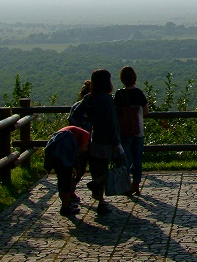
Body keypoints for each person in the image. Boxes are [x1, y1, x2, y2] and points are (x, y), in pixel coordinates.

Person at [84, 69, 121, 214]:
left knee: (98, 168)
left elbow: (77, 114)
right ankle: (97, 185)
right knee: (118, 166)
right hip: (107, 139)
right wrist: (116, 141)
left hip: (94, 138)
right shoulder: (106, 99)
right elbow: (112, 122)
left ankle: (101, 200)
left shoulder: (88, 99)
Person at [114, 65, 149, 196]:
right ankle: (136, 184)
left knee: (126, 160)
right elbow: (146, 111)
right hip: (138, 131)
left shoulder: (119, 94)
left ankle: (126, 185)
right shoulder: (139, 93)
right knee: (137, 159)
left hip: (124, 132)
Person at [44, 123, 90, 215]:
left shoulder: (73, 131)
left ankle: (67, 204)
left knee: (62, 180)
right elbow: (79, 149)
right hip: (63, 153)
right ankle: (65, 207)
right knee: (65, 181)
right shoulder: (86, 135)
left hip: (55, 152)